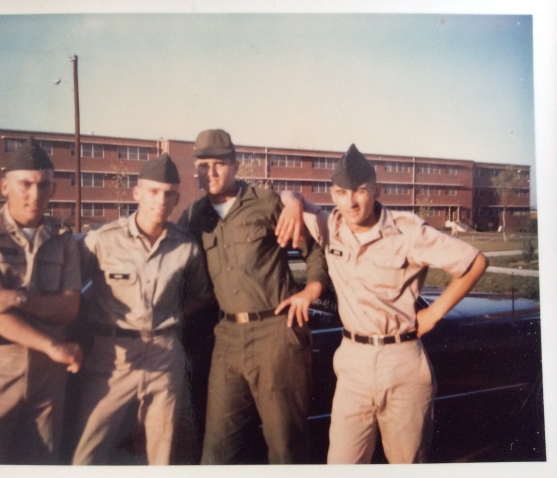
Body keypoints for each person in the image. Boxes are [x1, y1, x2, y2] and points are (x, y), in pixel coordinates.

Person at [279, 143, 488, 464]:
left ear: (376, 190)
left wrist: (433, 313)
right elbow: (289, 195)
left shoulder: (407, 231)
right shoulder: (330, 226)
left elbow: (474, 262)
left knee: (406, 464)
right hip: (352, 365)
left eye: (360, 191)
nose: (350, 201)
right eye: (341, 192)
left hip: (402, 363)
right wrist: (293, 202)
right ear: (332, 193)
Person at [178, 129, 329, 464]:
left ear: (235, 165)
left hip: (276, 333)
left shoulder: (267, 202)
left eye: (219, 164)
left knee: (285, 446)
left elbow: (314, 253)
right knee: (216, 449)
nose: (211, 172)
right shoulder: (193, 217)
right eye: (204, 165)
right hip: (228, 338)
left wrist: (310, 291)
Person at [72, 154, 213, 465]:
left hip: (164, 351)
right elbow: (70, 293)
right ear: (137, 193)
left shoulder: (185, 247)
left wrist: (168, 314)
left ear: (177, 197)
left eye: (168, 193)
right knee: (88, 449)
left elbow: (202, 295)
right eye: (152, 191)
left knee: (161, 452)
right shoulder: (101, 241)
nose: (160, 200)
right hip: (112, 355)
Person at [0, 136, 83, 464]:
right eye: (25, 183)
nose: (35, 194)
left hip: (46, 378)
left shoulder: (63, 239)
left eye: (44, 185)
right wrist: (51, 344)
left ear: (53, 189)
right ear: (5, 185)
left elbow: (69, 307)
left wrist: (17, 298)